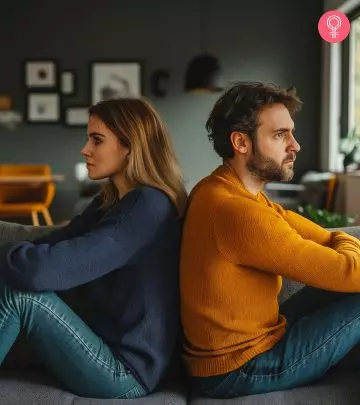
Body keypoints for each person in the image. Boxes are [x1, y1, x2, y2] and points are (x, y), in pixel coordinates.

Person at [180, 82, 360, 399]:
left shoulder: (223, 189)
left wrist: (342, 243)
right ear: (241, 142)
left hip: (243, 349)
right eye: (280, 135)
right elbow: (349, 271)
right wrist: (344, 245)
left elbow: (330, 237)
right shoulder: (237, 212)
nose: (295, 145)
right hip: (238, 369)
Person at [0, 98, 187, 399]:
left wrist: (8, 257)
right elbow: (54, 243)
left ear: (129, 146)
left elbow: (39, 271)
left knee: (20, 295)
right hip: (99, 344)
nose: (84, 149)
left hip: (126, 371)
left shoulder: (147, 207)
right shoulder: (109, 202)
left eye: (96, 140)